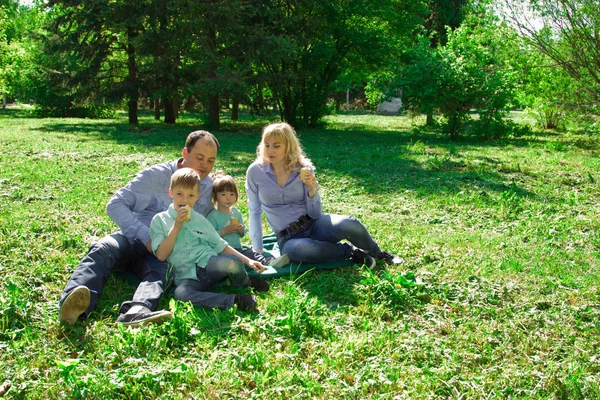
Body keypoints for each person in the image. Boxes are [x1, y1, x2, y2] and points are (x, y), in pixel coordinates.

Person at [59, 130, 220, 327]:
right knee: (103, 249)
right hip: (133, 238)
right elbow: (115, 204)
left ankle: (137, 311)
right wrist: (146, 238)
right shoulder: (155, 176)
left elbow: (204, 224)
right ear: (185, 153)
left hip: (162, 252)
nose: (205, 166)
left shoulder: (206, 187)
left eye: (211, 161)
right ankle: (73, 307)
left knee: (165, 271)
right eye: (200, 158)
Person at [245, 122, 403, 269]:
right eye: (267, 145)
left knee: (350, 223)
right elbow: (254, 211)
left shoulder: (303, 169)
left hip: (314, 224)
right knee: (305, 249)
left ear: (288, 147)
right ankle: (350, 252)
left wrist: (312, 189)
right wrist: (257, 249)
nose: (270, 150)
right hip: (288, 238)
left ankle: (377, 252)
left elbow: (315, 214)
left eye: (276, 146)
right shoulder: (255, 172)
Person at [150, 168, 269, 312]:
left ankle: (245, 282)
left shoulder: (200, 220)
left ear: (197, 197)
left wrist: (248, 261)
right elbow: (161, 255)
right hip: (186, 276)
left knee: (232, 262)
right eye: (179, 194)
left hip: (208, 264)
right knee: (180, 294)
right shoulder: (160, 220)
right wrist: (176, 227)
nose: (184, 200)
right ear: (171, 193)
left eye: (190, 195)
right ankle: (233, 300)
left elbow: (220, 245)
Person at [206, 172, 290, 268]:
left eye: (232, 194)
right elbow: (210, 238)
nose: (228, 198)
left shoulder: (235, 212)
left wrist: (240, 229)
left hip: (238, 249)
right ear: (215, 195)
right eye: (223, 194)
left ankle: (270, 261)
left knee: (251, 253)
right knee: (235, 260)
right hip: (222, 252)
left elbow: (242, 234)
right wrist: (224, 231)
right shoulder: (213, 216)